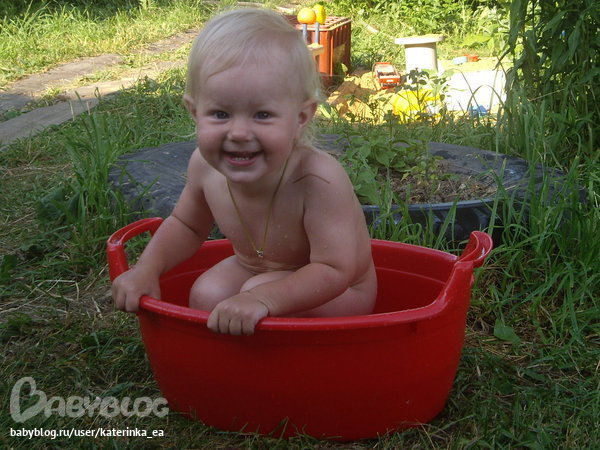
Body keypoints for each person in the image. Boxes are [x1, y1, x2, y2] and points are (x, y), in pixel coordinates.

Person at [112, 8, 377, 335]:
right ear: (195, 112)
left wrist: (264, 297)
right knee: (207, 293)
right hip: (254, 270)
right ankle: (232, 360)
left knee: (255, 289)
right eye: (220, 114)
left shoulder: (317, 179)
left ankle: (288, 361)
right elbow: (186, 225)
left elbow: (335, 269)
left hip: (339, 291)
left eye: (262, 114)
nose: (238, 133)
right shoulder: (204, 167)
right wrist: (147, 269)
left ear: (300, 118)